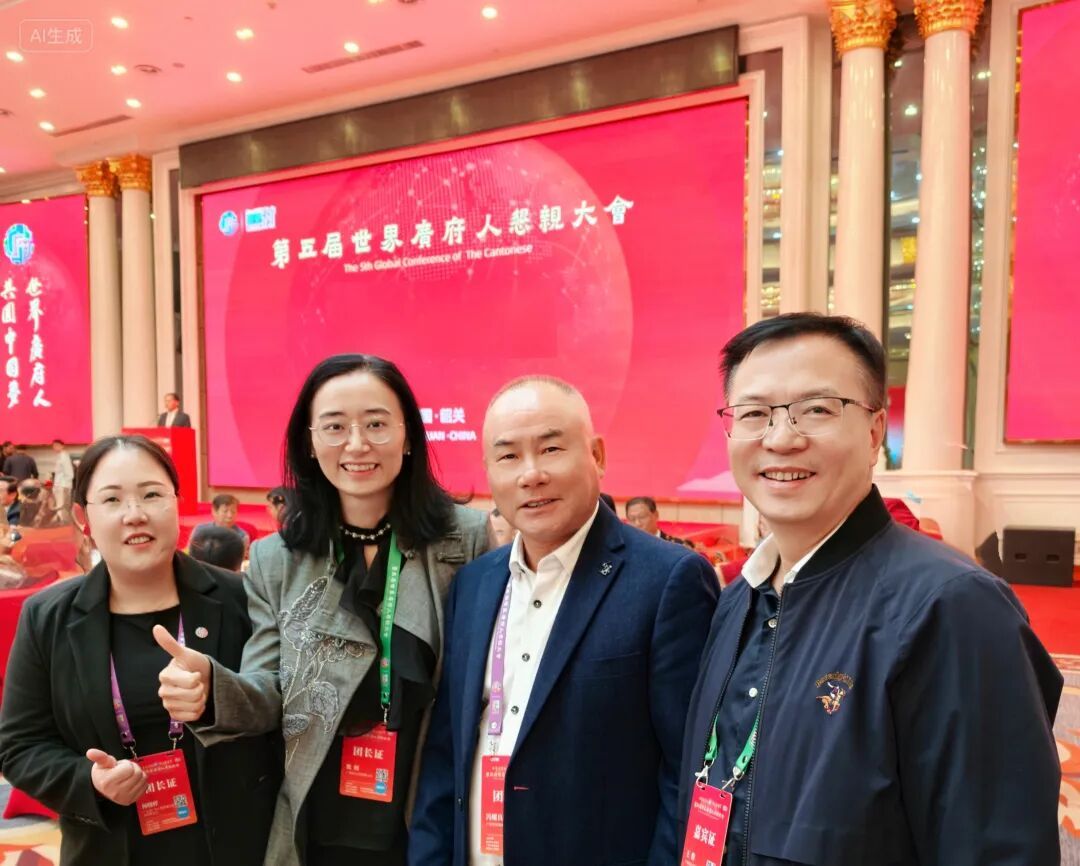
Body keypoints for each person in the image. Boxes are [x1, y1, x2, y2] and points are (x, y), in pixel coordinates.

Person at [678, 313, 1063, 866]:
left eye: (817, 409)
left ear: (876, 431)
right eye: (755, 413)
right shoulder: (740, 598)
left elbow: (995, 848)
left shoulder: (952, 607)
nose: (781, 438)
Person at [157, 354, 488, 866]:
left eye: (376, 424)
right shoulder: (277, 558)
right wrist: (212, 686)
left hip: (429, 811)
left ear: (408, 436)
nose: (356, 444)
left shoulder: (464, 540)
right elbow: (268, 689)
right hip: (319, 817)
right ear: (309, 443)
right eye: (334, 426)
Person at [409, 376, 719, 866]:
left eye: (551, 448)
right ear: (489, 471)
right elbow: (447, 752)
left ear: (596, 455)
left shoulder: (668, 580)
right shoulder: (473, 584)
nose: (531, 475)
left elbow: (687, 773)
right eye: (508, 456)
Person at [0, 434, 280, 866]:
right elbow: (20, 746)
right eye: (112, 500)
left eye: (151, 495)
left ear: (177, 503)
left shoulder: (241, 599)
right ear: (83, 517)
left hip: (235, 846)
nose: (135, 515)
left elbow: (283, 707)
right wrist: (89, 781)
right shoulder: (48, 617)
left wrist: (219, 695)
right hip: (108, 849)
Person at [625, 496, 696, 549]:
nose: (637, 523)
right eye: (632, 519)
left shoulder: (678, 546)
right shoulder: (624, 547)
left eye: (642, 517)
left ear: (656, 515)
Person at [52, 438, 76, 512]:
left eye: (57, 445)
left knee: (62, 508)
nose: (55, 447)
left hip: (63, 485)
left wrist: (64, 486)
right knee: (60, 507)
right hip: (59, 485)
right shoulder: (59, 456)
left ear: (62, 446)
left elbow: (69, 473)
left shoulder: (64, 456)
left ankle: (63, 519)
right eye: (54, 446)